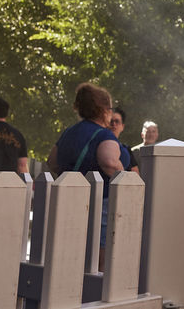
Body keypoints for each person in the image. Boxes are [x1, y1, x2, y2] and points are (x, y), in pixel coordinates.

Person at [50, 82, 131, 259]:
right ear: (103, 110)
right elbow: (109, 161)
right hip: (99, 206)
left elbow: (53, 162)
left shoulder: (68, 133)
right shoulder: (103, 134)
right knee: (99, 262)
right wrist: (124, 175)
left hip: (70, 202)